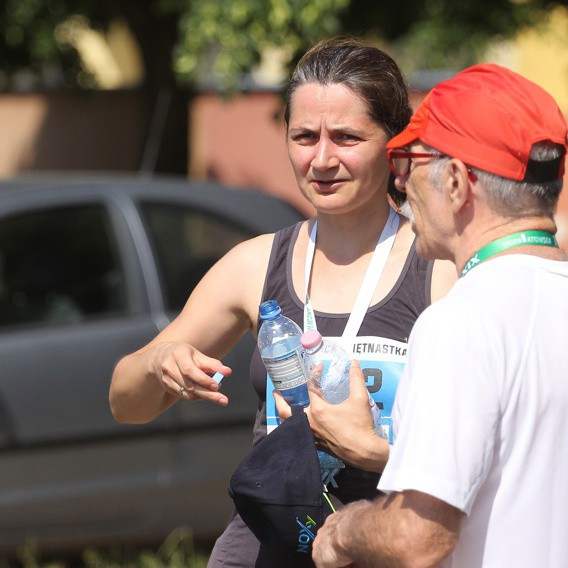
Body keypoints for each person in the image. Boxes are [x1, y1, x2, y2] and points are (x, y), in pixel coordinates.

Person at [310, 62, 568, 568]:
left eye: (408, 161)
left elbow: (419, 537)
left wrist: (342, 532)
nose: (402, 185)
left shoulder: (460, 323)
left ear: (457, 182)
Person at [109, 38, 456, 567]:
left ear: (394, 144)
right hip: (261, 549)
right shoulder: (255, 264)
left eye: (345, 137)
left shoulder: (439, 270)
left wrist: (375, 452)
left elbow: (479, 456)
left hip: (380, 545)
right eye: (303, 136)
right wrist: (159, 365)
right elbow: (123, 403)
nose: (321, 159)